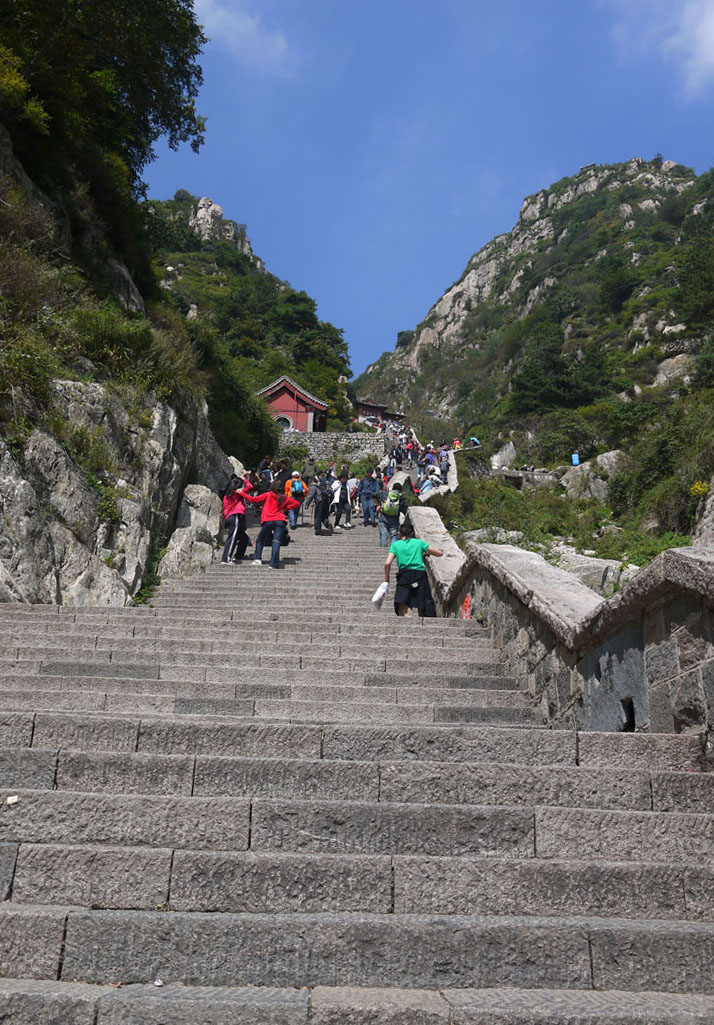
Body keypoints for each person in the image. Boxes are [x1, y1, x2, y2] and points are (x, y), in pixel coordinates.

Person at [383, 522, 443, 617]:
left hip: (404, 576)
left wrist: (386, 578)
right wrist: (424, 553)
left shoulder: (395, 545)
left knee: (404, 600)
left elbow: (387, 562)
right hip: (419, 576)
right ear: (411, 533)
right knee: (423, 599)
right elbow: (439, 553)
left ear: (399, 533)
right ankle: (425, 622)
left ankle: (406, 620)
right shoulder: (419, 543)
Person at [242, 482, 300, 569]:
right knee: (276, 541)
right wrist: (285, 509)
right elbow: (296, 503)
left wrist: (242, 493)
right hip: (280, 520)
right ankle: (274, 563)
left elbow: (253, 499)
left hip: (268, 519)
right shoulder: (284, 497)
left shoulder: (268, 495)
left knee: (260, 539)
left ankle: (257, 559)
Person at [220, 474, 253, 564]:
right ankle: (225, 559)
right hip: (235, 516)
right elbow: (250, 487)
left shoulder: (227, 494)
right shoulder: (237, 493)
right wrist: (244, 479)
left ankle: (238, 557)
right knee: (232, 537)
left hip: (229, 517)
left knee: (244, 538)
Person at [378, 481, 406, 548]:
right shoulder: (401, 497)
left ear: (393, 488)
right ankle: (393, 551)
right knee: (393, 535)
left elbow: (374, 494)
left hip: (384, 516)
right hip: (394, 518)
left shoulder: (386, 493)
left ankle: (382, 549)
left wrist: (378, 505)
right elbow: (403, 508)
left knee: (383, 533)